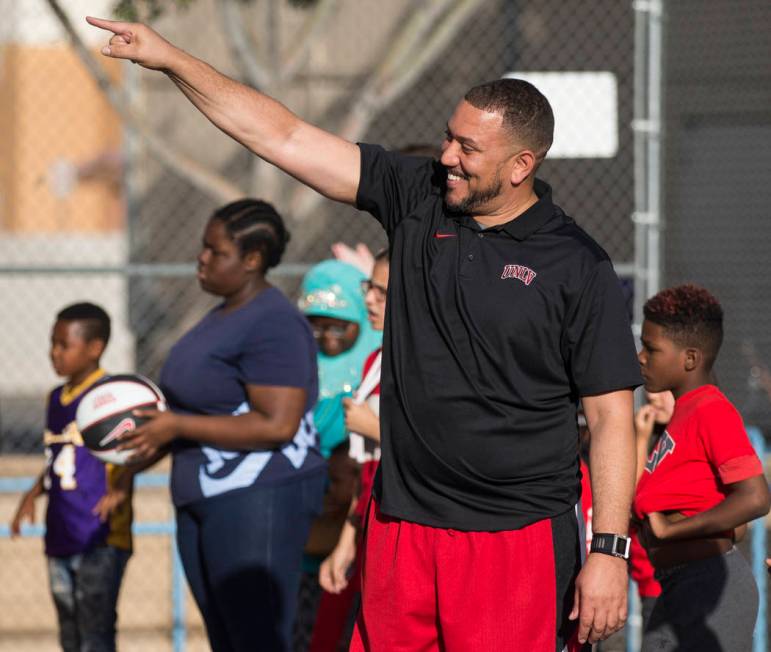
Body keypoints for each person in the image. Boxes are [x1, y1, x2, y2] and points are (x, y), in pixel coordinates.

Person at [87, 17, 643, 649]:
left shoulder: (577, 265)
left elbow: (609, 418)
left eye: (467, 149)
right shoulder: (418, 198)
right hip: (402, 526)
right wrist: (170, 59)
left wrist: (609, 552)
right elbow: (284, 134)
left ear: (522, 164)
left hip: (512, 541)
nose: (446, 157)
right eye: (448, 138)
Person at [115, 199, 327, 652]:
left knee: (257, 638)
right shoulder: (220, 316)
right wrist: (136, 457)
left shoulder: (274, 323)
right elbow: (190, 412)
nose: (202, 258)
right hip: (204, 496)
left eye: (216, 251)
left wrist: (175, 426)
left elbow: (277, 424)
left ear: (252, 260)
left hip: (258, 496)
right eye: (203, 248)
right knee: (226, 639)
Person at [634, 284, 770, 652]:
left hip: (709, 589)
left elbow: (755, 498)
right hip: (678, 588)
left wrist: (670, 531)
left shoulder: (711, 409)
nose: (641, 357)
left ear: (690, 359)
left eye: (652, 348)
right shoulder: (683, 414)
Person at [9, 302, 134, 652]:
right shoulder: (55, 398)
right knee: (70, 634)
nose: (55, 352)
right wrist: (32, 495)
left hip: (100, 535)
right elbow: (58, 456)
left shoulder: (113, 397)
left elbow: (137, 450)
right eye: (53, 342)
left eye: (65, 344)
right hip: (61, 532)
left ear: (94, 348)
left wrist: (121, 487)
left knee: (96, 634)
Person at [294, 259, 382, 649]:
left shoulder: (380, 362)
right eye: (316, 324)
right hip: (309, 527)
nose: (326, 335)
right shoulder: (296, 367)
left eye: (338, 324)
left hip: (365, 522)